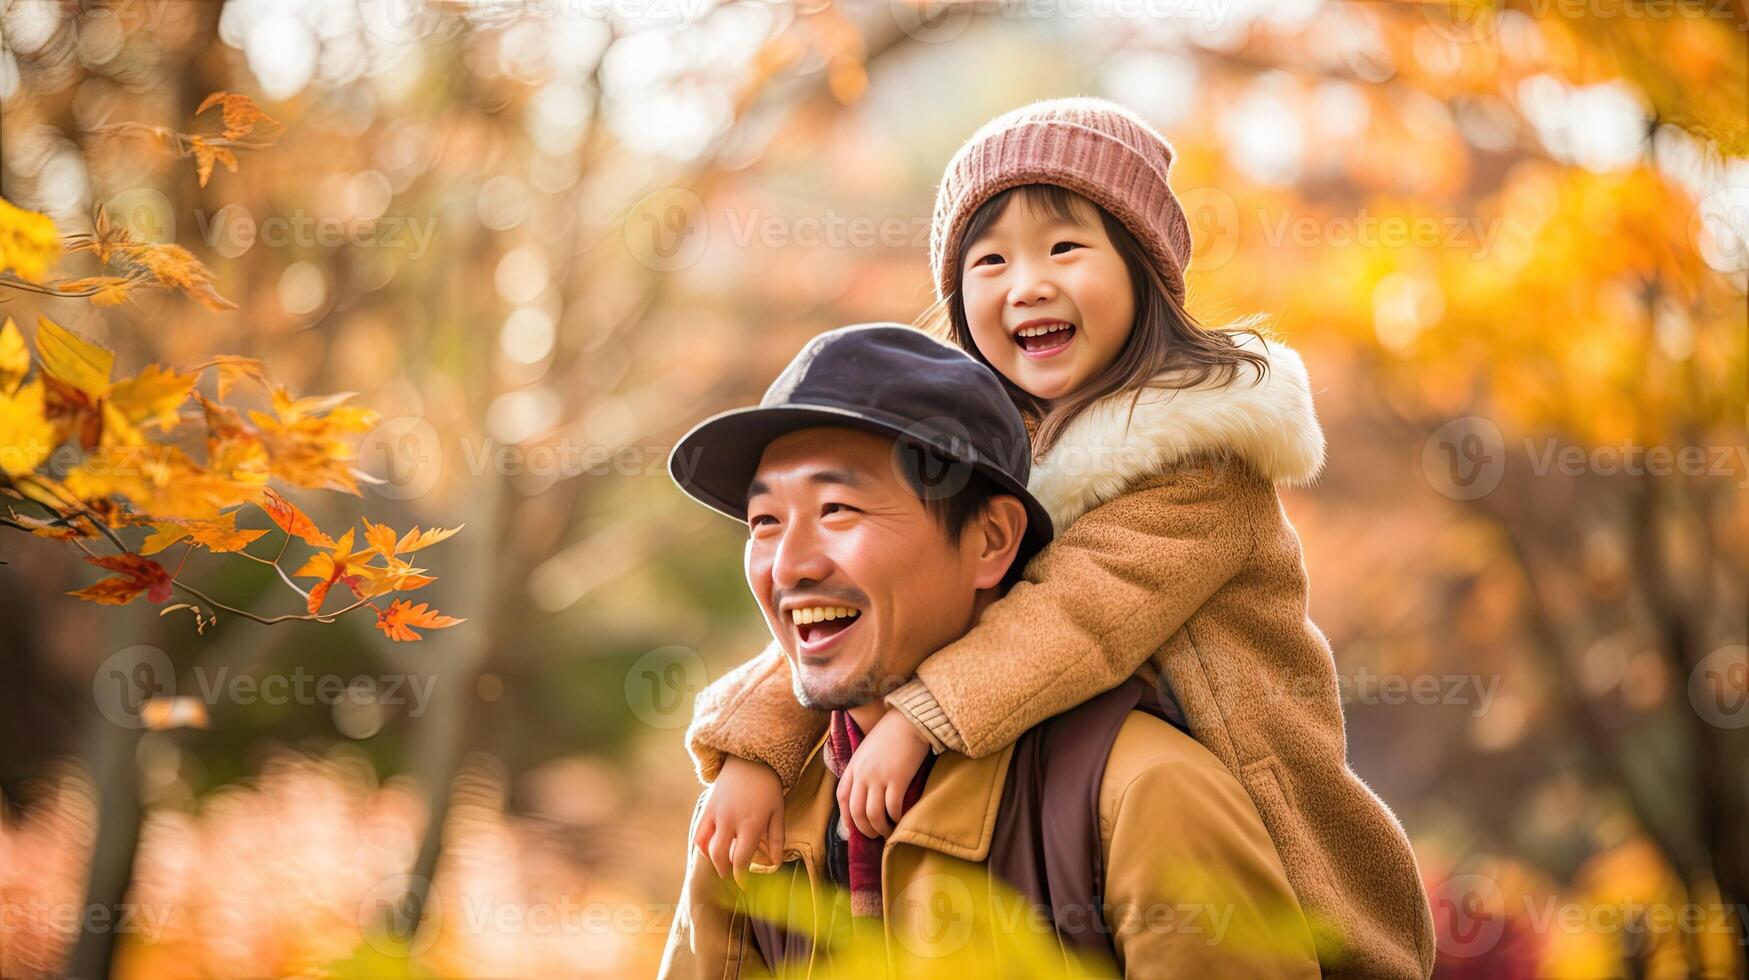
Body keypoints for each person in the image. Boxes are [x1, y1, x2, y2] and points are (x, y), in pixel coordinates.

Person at [684, 99, 1436, 978]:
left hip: (1258, 844)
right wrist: (756, 752)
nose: (1024, 283)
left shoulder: (1199, 462)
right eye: (989, 260)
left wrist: (918, 721)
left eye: (1063, 248)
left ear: (1144, 271)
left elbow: (1070, 620)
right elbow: (851, 614)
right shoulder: (985, 467)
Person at [659, 324, 1320, 978]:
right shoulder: (753, 812)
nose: (789, 567)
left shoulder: (1143, 794)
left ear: (991, 541)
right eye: (765, 522)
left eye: (837, 509)